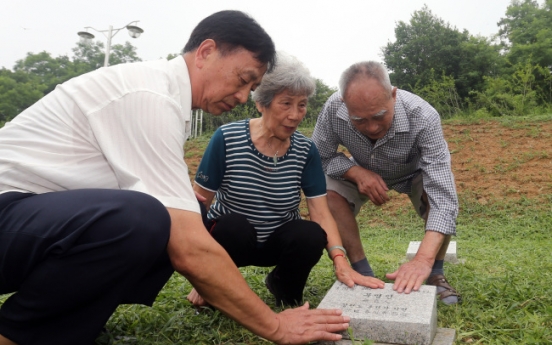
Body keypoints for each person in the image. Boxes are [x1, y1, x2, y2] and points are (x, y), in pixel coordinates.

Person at [0, 11, 353, 345]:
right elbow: (187, 244)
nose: (243, 96)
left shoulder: (167, 99)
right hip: (10, 210)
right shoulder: (150, 97)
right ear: (207, 52)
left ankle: (69, 321)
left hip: (33, 218)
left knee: (182, 211)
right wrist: (276, 325)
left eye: (252, 87)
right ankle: (19, 333)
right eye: (243, 80)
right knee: (146, 218)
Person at [187, 53, 385, 308]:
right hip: (232, 240)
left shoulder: (305, 150)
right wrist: (201, 276)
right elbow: (198, 204)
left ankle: (283, 283)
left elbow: (321, 213)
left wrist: (340, 261)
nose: (295, 115)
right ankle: (218, 286)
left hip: (275, 240)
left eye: (301, 105)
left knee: (312, 234)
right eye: (286, 104)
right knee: (232, 227)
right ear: (262, 104)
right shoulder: (226, 138)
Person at [311, 61, 460, 305]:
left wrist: (422, 259)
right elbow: (320, 157)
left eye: (380, 115)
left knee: (436, 196)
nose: (371, 127)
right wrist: (355, 172)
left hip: (414, 171)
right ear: (344, 104)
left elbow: (444, 197)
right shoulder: (332, 109)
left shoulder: (423, 116)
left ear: (393, 94)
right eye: (359, 120)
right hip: (359, 167)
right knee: (327, 193)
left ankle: (434, 273)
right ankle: (362, 271)